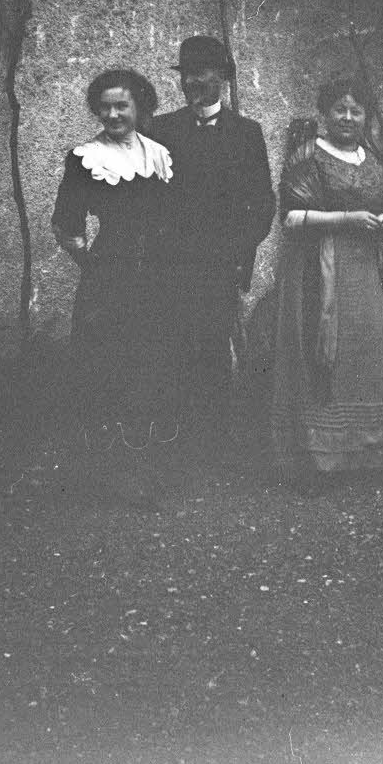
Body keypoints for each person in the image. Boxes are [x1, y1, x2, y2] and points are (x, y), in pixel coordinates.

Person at [269, 75, 383, 480]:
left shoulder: (373, 159)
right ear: (325, 113)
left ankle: (374, 454)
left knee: (370, 352)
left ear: (366, 116)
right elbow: (291, 217)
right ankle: (323, 454)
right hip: (321, 270)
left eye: (357, 111)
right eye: (340, 110)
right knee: (327, 353)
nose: (348, 118)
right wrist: (347, 219)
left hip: (369, 271)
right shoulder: (308, 156)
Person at [151, 36, 275, 464]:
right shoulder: (160, 130)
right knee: (171, 348)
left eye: (201, 73)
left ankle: (216, 444)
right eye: (186, 74)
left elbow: (262, 203)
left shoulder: (246, 133)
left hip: (219, 265)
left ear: (221, 77)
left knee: (213, 349)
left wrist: (238, 253)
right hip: (170, 264)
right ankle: (174, 445)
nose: (192, 82)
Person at [50, 69, 175, 495]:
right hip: (110, 278)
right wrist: (94, 264)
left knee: (150, 363)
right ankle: (105, 475)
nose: (113, 114)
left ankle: (145, 471)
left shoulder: (159, 155)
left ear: (140, 106)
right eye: (104, 107)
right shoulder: (86, 158)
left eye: (122, 105)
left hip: (155, 276)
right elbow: (67, 223)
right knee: (108, 363)